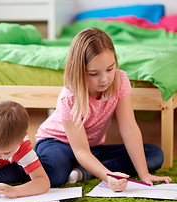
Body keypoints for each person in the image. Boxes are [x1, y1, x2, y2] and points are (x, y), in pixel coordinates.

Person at [35, 28, 171, 192]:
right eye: (94, 73)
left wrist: (144, 174)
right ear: (78, 71)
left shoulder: (120, 81)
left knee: (154, 154)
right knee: (55, 175)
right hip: (57, 143)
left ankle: (82, 171)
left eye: (110, 69)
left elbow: (129, 128)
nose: (105, 79)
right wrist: (108, 176)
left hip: (91, 148)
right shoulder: (69, 98)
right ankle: (27, 163)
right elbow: (80, 150)